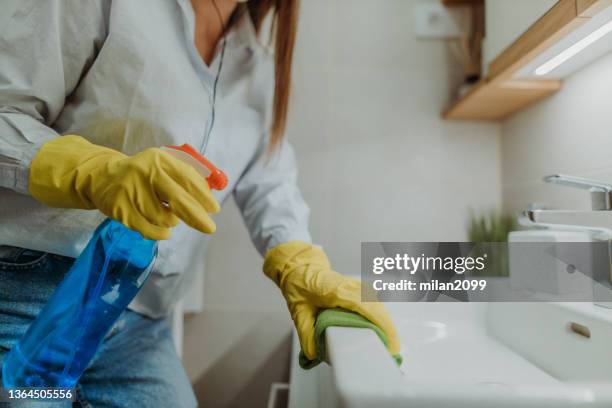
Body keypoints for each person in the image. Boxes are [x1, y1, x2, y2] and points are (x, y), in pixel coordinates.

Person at [0, 0, 400, 406]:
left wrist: (299, 264)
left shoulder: (255, 67)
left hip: (138, 318)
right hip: (31, 289)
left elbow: (270, 184)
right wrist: (94, 172)